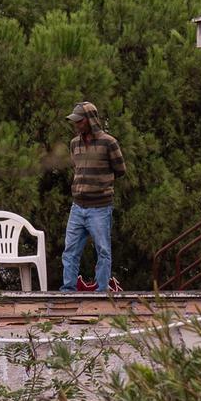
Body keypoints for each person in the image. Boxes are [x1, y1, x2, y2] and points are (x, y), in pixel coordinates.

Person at [60, 101, 126, 292]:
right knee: (70, 250)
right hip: (77, 206)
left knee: (103, 250)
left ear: (90, 120)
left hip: (100, 207)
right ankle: (68, 289)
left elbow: (120, 169)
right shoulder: (74, 144)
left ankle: (102, 290)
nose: (77, 125)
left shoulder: (109, 142)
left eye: (79, 121)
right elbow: (76, 167)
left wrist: (101, 181)